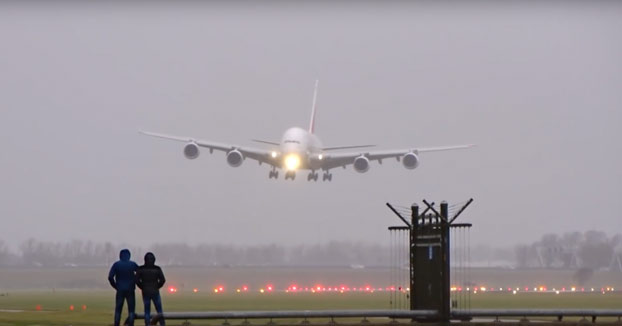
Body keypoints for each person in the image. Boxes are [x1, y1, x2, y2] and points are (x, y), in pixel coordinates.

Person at [108, 249, 139, 326]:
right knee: (131, 310)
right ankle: (131, 324)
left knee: (118, 309)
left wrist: (115, 286)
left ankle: (117, 323)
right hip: (130, 289)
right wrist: (135, 281)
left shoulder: (116, 264)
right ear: (129, 256)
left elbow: (110, 277)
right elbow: (140, 274)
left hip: (120, 289)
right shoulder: (133, 264)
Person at [135, 252, 166, 326]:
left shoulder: (141, 269)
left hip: (145, 291)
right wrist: (157, 286)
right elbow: (163, 280)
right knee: (159, 310)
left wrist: (142, 287)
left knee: (147, 311)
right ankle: (162, 324)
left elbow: (136, 280)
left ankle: (147, 324)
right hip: (155, 290)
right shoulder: (157, 269)